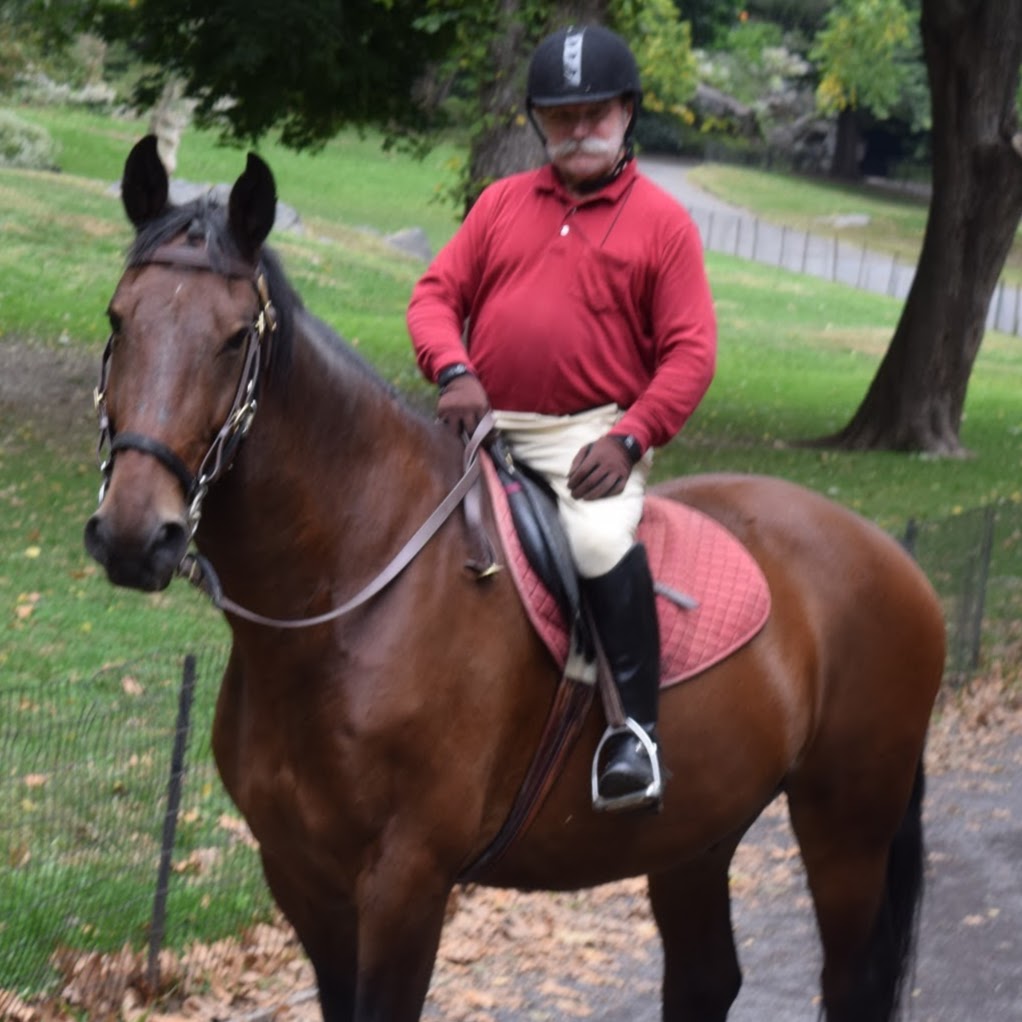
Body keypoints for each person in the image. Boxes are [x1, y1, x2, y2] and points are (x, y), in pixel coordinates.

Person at [407, 24, 716, 811]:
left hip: (589, 436)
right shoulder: (502, 203)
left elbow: (690, 354)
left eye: (595, 113)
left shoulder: (663, 223)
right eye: (561, 115)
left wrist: (631, 437)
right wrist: (452, 368)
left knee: (596, 536)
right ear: (540, 121)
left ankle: (634, 737)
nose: (578, 129)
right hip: (481, 419)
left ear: (626, 115)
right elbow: (436, 296)